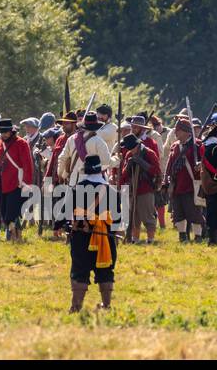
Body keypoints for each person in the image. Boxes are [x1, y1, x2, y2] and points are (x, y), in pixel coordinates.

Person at [67, 154, 121, 312]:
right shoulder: (110, 191)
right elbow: (116, 216)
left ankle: (76, 307)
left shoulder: (77, 188)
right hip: (105, 238)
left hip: (81, 237)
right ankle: (107, 305)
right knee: (105, 270)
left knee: (79, 270)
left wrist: (59, 226)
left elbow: (65, 212)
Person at [0, 118, 35, 242]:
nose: (4, 135)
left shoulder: (21, 143)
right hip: (2, 183)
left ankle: (15, 236)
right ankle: (14, 234)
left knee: (12, 212)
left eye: (6, 132)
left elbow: (27, 164)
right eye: (2, 132)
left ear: (11, 131)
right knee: (5, 212)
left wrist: (27, 183)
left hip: (17, 183)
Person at [163, 117, 204, 243]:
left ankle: (198, 237)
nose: (176, 133)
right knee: (178, 212)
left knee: (194, 213)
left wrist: (200, 164)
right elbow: (170, 164)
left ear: (186, 131)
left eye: (178, 130)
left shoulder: (197, 145)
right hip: (177, 185)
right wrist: (166, 179)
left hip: (192, 185)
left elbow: (205, 161)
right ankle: (182, 236)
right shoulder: (175, 146)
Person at [118, 131, 161, 244]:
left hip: (146, 189)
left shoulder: (149, 153)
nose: (128, 149)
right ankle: (135, 239)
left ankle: (150, 239)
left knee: (148, 217)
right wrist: (128, 167)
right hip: (133, 190)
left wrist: (142, 163)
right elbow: (123, 175)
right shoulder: (129, 155)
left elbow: (156, 171)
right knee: (134, 218)